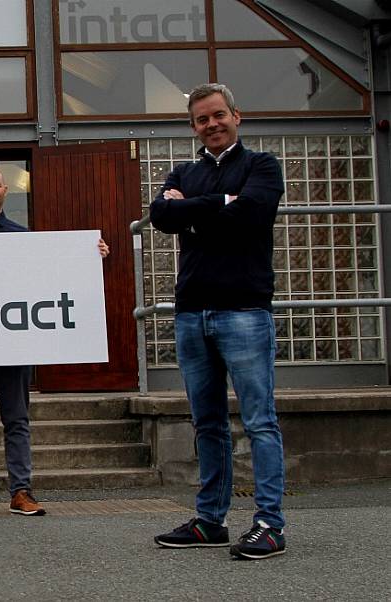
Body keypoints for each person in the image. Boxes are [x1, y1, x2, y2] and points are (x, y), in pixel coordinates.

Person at [149, 83, 287, 560]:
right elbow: (159, 214)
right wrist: (219, 205)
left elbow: (252, 214)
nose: (212, 124)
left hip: (244, 311)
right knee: (207, 423)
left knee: (259, 421)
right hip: (191, 312)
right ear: (193, 126)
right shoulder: (185, 169)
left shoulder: (262, 166)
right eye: (202, 119)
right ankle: (211, 520)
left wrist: (192, 209)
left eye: (219, 115)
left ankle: (269, 524)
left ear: (236, 115)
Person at [0, 166, 109, 519]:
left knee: (17, 421)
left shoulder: (27, 238)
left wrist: (89, 254)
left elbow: (56, 275)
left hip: (15, 346)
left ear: (6, 190)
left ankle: (21, 492)